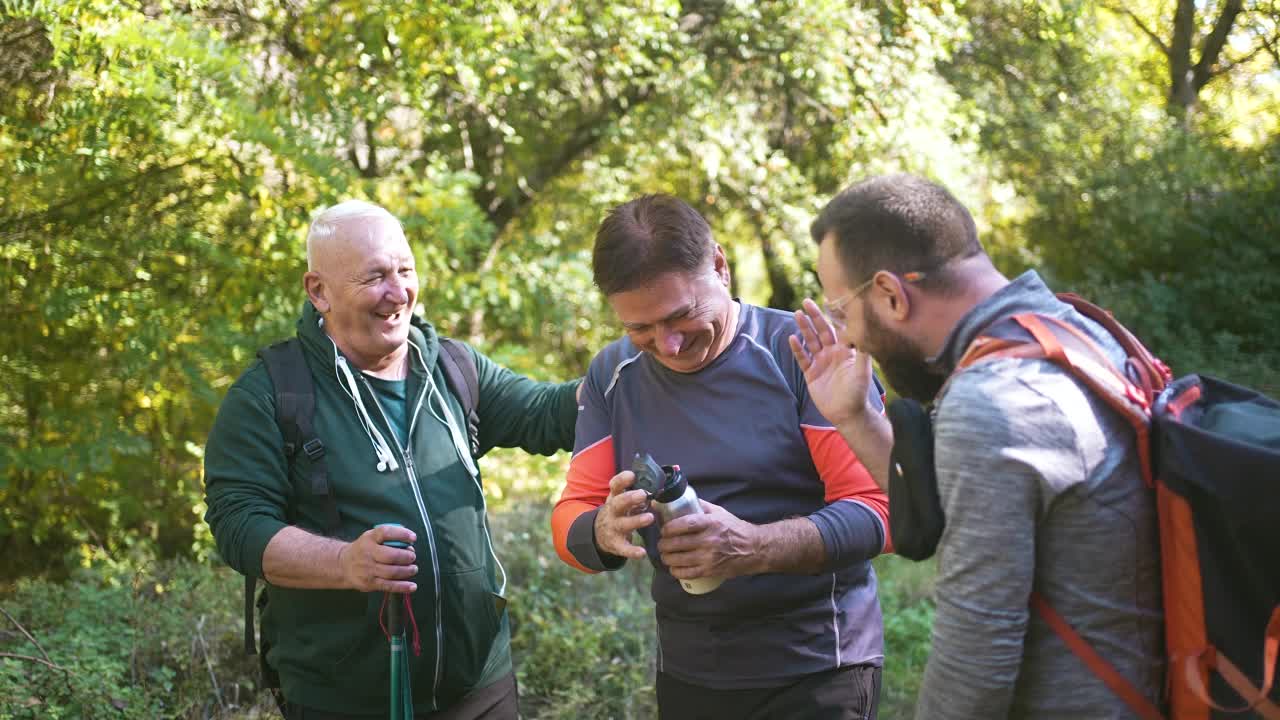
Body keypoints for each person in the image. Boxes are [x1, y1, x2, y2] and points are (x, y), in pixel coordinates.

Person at [790, 173, 1164, 719]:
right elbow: (959, 515)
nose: (846, 337)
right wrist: (854, 416)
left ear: (892, 294)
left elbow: (976, 654)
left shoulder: (993, 401)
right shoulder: (1072, 332)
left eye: (842, 311)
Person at [204, 200, 580, 719]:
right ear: (319, 291)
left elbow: (549, 414)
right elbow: (239, 525)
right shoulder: (270, 394)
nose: (398, 292)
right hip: (344, 700)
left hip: (481, 688)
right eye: (375, 276)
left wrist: (631, 371)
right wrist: (345, 563)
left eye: (405, 270)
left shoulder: (451, 367)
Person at [551, 194, 891, 719]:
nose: (668, 344)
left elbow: (881, 509)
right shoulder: (612, 376)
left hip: (821, 666)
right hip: (691, 672)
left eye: (681, 315)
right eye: (639, 329)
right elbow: (570, 517)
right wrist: (600, 530)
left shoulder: (801, 352)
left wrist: (754, 547)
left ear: (720, 266)